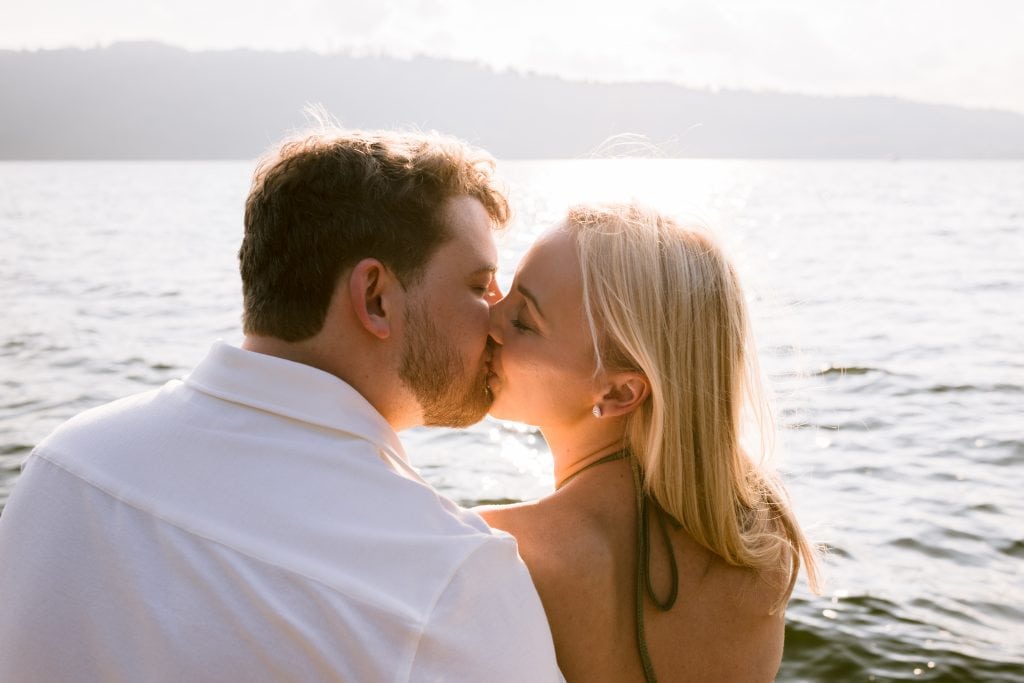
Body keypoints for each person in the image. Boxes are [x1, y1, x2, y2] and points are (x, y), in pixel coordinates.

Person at [0, 126, 562, 681]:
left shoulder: (64, 465)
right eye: (479, 284)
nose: (496, 317)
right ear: (375, 298)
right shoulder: (451, 582)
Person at [479, 202, 821, 682]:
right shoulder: (760, 534)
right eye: (506, 294)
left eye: (523, 320)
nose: (488, 320)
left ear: (620, 391)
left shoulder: (505, 550)